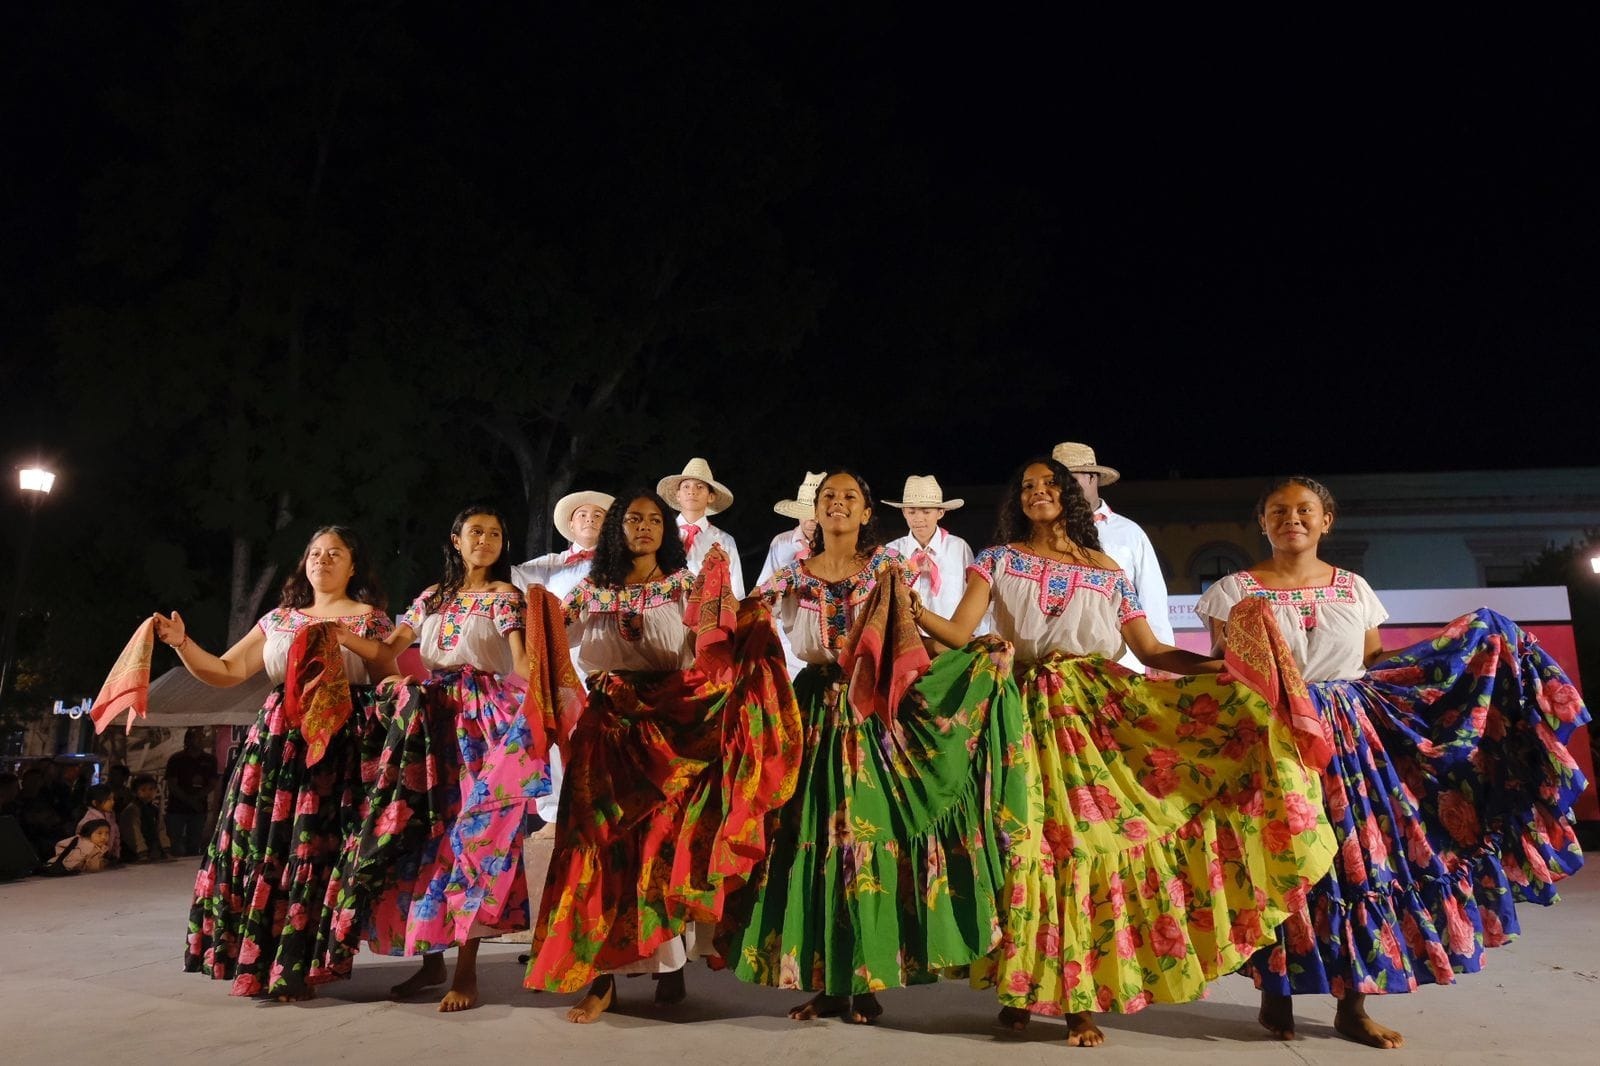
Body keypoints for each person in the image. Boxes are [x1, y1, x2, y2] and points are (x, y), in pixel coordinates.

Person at [914, 457, 1336, 1047]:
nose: (1039, 492)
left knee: (1086, 844)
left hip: (1095, 714)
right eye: (1027, 486)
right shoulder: (997, 560)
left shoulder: (1109, 572)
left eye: (1050, 484)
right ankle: (1020, 987)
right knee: (1024, 846)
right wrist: (909, 609)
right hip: (1020, 715)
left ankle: (1076, 1000)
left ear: (1070, 496)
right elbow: (958, 634)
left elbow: (1153, 650)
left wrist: (1223, 668)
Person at [1195, 475, 1591, 1050]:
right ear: (1262, 523)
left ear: (1326, 521)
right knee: (1281, 857)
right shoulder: (1233, 589)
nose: (1292, 519)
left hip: (1353, 737)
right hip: (1274, 735)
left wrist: (1464, 640)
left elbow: (1374, 660)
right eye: (1278, 511)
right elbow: (1225, 666)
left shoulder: (1352, 586)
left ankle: (1352, 1005)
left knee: (1360, 861)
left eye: (1305, 509)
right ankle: (1274, 990)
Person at [723, 469, 1025, 1026]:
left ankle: (865, 980)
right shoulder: (788, 575)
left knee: (864, 841)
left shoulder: (887, 569)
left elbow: (914, 637)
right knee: (816, 840)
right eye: (828, 497)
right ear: (814, 511)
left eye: (850, 497)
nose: (838, 504)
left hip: (872, 714)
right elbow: (737, 622)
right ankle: (828, 981)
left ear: (866, 514)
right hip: (812, 711)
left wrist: (969, 658)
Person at [525, 489, 800, 1022]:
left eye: (655, 519)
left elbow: (714, 643)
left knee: (660, 843)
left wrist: (745, 614)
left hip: (669, 729)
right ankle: (599, 976)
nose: (645, 527)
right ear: (616, 529)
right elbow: (554, 638)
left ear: (667, 531)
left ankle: (668, 963)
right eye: (634, 519)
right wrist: (535, 608)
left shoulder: (684, 587)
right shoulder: (591, 590)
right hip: (606, 727)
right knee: (595, 841)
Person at [318, 505, 551, 1013]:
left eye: (494, 533)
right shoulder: (430, 598)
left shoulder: (505, 597)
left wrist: (549, 703)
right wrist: (338, 637)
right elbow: (385, 653)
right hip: (430, 722)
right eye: (475, 532)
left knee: (471, 840)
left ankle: (465, 973)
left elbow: (521, 664)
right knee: (425, 834)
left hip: (481, 723)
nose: (485, 540)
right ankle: (430, 959)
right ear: (455, 540)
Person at [171, 524, 397, 1000]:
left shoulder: (369, 620)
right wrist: (181, 643)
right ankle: (258, 960)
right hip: (278, 742)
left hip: (339, 745)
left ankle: (299, 965)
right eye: (315, 553)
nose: (323, 560)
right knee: (265, 844)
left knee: (315, 850)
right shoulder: (279, 619)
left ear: (353, 565)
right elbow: (227, 670)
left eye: (335, 553)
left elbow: (387, 677)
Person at [1050, 442, 1173, 672]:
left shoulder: (1128, 533)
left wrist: (1161, 656)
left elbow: (1152, 595)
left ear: (1092, 477)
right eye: (1057, 483)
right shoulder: (1044, 534)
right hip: (1057, 662)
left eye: (1071, 480)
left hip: (1121, 660)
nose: (1064, 489)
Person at [884, 474, 978, 650]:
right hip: (904, 646)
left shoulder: (958, 548)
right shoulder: (892, 552)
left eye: (926, 511)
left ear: (940, 512)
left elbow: (973, 597)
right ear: (903, 512)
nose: (918, 518)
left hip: (950, 644)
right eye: (911, 511)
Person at [756, 471, 823, 678]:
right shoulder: (782, 542)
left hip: (823, 633)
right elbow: (764, 588)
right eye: (806, 513)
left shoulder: (836, 547)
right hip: (787, 634)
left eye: (816, 514)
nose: (811, 520)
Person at [658, 457, 746, 598]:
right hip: (662, 611)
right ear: (678, 495)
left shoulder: (724, 541)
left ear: (710, 497)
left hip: (705, 613)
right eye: (686, 486)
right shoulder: (661, 534)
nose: (692, 491)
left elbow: (736, 591)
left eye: (700, 487)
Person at [511, 490, 614, 601]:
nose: (590, 519)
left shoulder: (616, 564)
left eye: (597, 515)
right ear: (571, 525)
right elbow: (514, 575)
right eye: (582, 515)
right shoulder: (551, 563)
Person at [164, 727, 217, 856]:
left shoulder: (210, 760)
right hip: (177, 808)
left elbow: (212, 783)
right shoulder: (176, 759)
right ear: (187, 740)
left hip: (198, 808)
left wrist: (197, 798)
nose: (200, 740)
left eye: (202, 737)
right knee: (176, 842)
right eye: (196, 737)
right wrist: (189, 800)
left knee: (195, 842)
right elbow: (172, 784)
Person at [120, 773, 172, 862]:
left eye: (151, 789)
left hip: (152, 850)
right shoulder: (132, 810)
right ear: (134, 792)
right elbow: (133, 833)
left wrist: (165, 849)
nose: (148, 793)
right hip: (134, 852)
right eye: (143, 790)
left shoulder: (155, 809)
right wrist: (142, 853)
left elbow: (161, 829)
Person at [40, 817, 113, 875]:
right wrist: (103, 862)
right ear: (88, 834)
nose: (104, 837)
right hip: (62, 866)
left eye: (107, 833)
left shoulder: (83, 841)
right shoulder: (88, 846)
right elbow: (93, 867)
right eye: (99, 833)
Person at [77, 784, 121, 865]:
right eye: (108, 799)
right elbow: (82, 842)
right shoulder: (88, 820)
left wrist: (115, 854)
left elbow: (116, 836)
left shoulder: (110, 816)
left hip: (107, 858)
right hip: (90, 861)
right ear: (95, 802)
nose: (113, 802)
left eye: (113, 799)